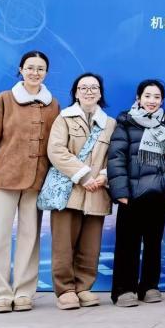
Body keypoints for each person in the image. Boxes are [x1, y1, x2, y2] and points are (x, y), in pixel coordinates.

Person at [0, 50, 60, 313]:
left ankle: (24, 292)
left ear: (46, 73)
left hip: (37, 181)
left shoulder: (53, 105)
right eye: (30, 67)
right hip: (3, 179)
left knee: (30, 238)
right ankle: (0, 294)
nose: (35, 73)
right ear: (21, 69)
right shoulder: (4, 100)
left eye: (40, 69)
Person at [108, 79, 165, 307]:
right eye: (147, 96)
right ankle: (124, 289)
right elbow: (116, 158)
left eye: (157, 97)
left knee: (154, 242)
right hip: (132, 194)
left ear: (162, 100)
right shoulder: (126, 122)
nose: (152, 101)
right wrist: (120, 191)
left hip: (158, 193)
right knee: (128, 243)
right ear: (138, 98)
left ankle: (150, 286)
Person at [45, 73, 116, 310]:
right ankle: (65, 289)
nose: (89, 91)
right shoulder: (64, 118)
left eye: (94, 87)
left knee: (90, 245)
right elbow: (56, 151)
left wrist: (104, 176)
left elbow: (115, 156)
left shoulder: (110, 123)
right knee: (63, 244)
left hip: (97, 191)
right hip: (69, 191)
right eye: (83, 87)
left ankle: (84, 287)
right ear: (76, 92)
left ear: (100, 92)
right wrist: (83, 176)